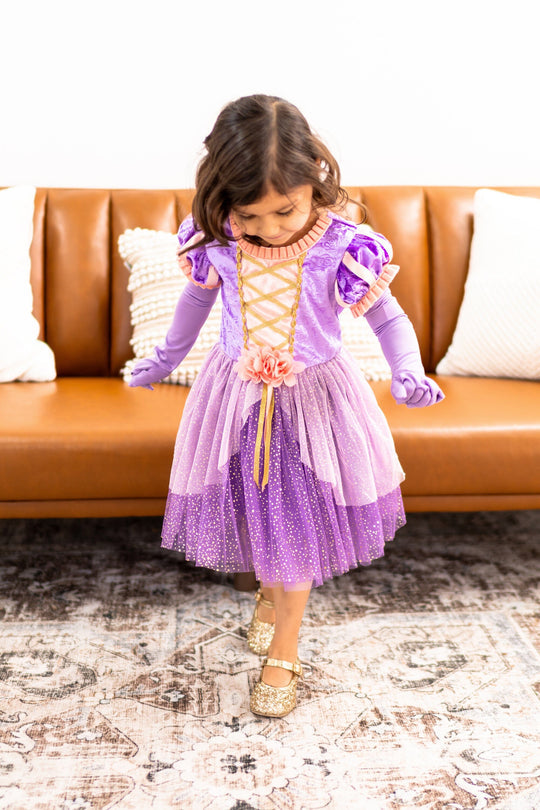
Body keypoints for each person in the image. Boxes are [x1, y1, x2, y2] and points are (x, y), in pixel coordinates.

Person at [129, 94, 444, 718]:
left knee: (295, 517)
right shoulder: (216, 238)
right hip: (234, 399)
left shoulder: (343, 246)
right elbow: (195, 304)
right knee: (256, 507)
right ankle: (270, 596)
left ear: (314, 180)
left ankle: (285, 650)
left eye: (284, 210)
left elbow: (388, 318)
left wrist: (408, 369)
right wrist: (164, 358)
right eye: (250, 214)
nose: (270, 229)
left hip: (314, 406)